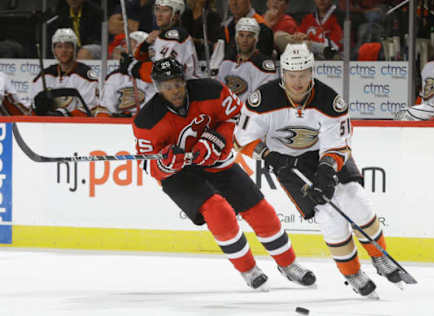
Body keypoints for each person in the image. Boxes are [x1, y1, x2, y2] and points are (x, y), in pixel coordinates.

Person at [234, 43, 408, 298]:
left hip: (323, 155)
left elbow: (337, 145)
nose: (297, 82)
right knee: (328, 216)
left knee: (355, 200)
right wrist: (270, 157)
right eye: (292, 75)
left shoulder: (329, 101)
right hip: (287, 162)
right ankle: (352, 272)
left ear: (311, 71)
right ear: (283, 73)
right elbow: (242, 139)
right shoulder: (262, 100)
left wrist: (327, 170)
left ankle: (379, 257)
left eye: (303, 74)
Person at [132, 56, 316, 290]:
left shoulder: (212, 90)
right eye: (167, 86)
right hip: (180, 175)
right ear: (158, 88)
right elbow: (149, 164)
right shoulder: (146, 120)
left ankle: (289, 265)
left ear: (185, 80)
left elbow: (238, 120)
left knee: (260, 211)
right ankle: (248, 270)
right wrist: (167, 163)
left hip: (216, 160)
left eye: (178, 83)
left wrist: (217, 139)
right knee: (219, 211)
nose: (175, 90)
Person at [30, 28, 98, 116]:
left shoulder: (85, 74)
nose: (63, 50)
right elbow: (32, 107)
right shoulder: (45, 75)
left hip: (76, 125)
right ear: (54, 50)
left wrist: (65, 115)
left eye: (68, 46)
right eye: (59, 46)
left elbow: (90, 108)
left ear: (75, 49)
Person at [132, 0, 199, 81]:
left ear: (176, 14)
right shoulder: (158, 35)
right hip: (169, 88)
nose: (159, 15)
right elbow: (142, 58)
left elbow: (165, 71)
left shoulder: (176, 36)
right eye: (157, 9)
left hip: (185, 87)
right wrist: (145, 46)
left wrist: (135, 68)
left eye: (165, 10)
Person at [216, 17, 277, 103]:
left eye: (249, 36)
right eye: (241, 35)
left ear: (256, 39)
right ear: (236, 38)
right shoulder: (227, 63)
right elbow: (218, 93)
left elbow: (265, 97)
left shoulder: (263, 65)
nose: (245, 40)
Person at [101, 31, 156, 117]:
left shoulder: (152, 75)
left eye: (131, 42)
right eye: (125, 43)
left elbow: (153, 107)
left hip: (144, 123)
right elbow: (106, 108)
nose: (125, 46)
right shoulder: (115, 76)